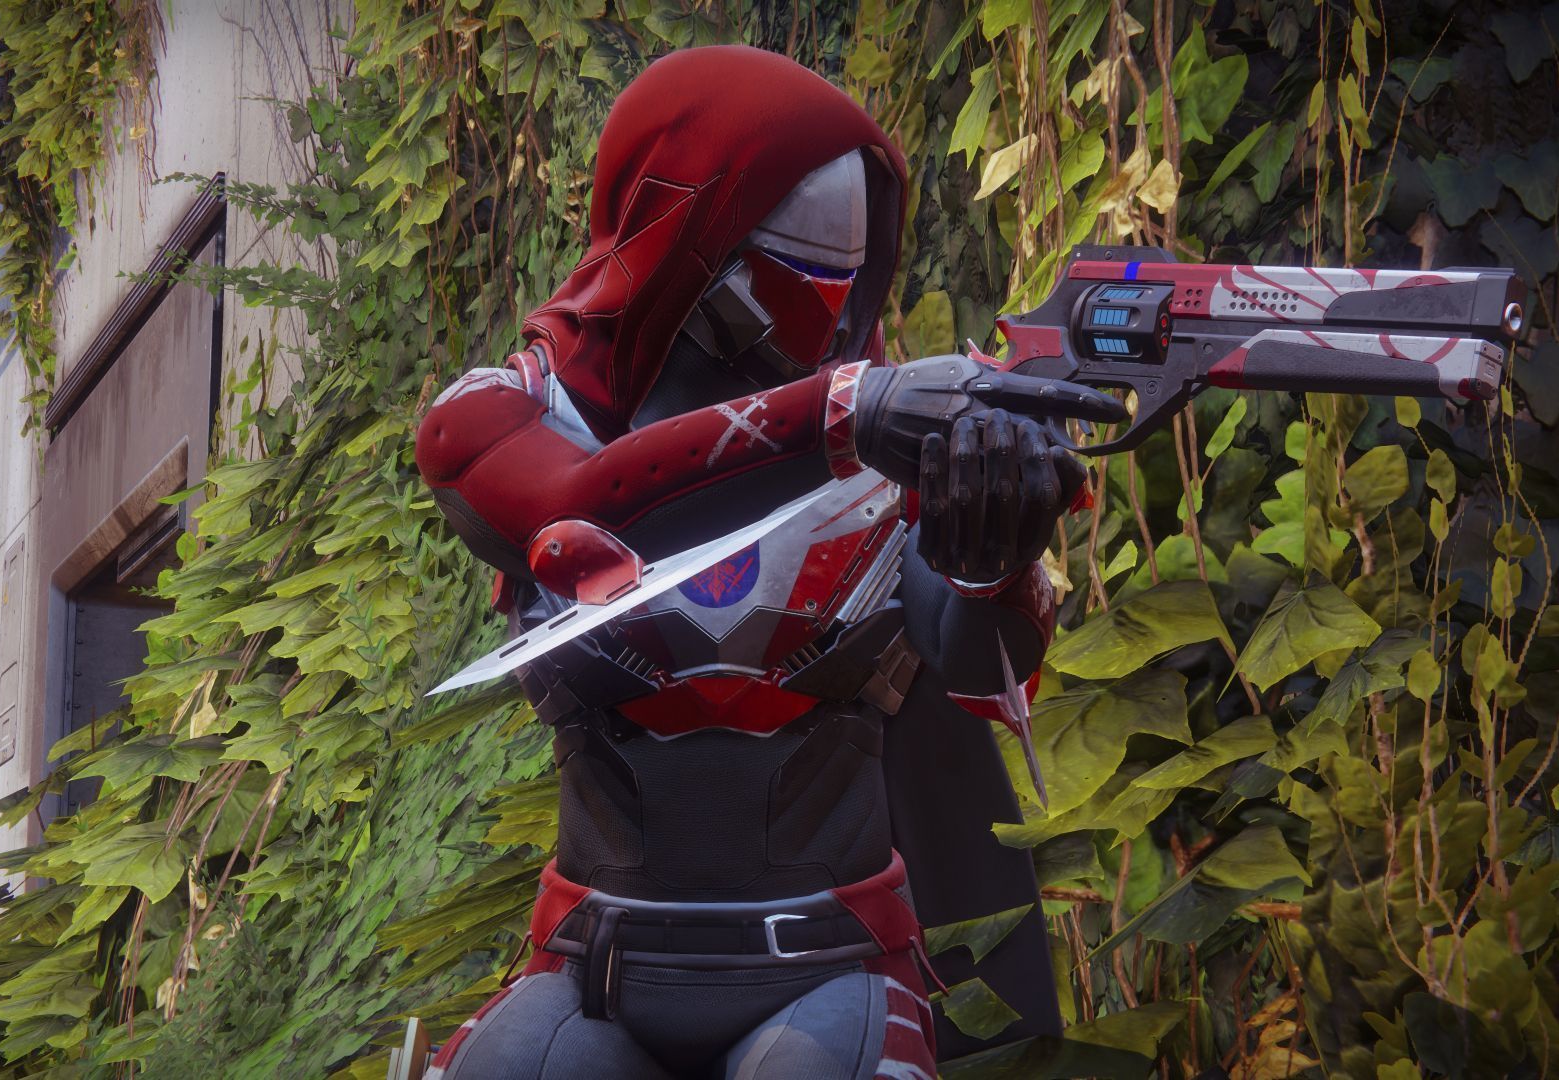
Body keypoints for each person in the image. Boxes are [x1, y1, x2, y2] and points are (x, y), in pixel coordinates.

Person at [414, 44, 1122, 1079]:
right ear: (697, 252)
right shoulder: (517, 412)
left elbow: (977, 665)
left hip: (829, 975)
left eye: (850, 276)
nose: (836, 311)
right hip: (590, 971)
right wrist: (843, 412)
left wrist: (995, 550)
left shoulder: (896, 440)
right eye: (805, 278)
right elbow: (569, 502)